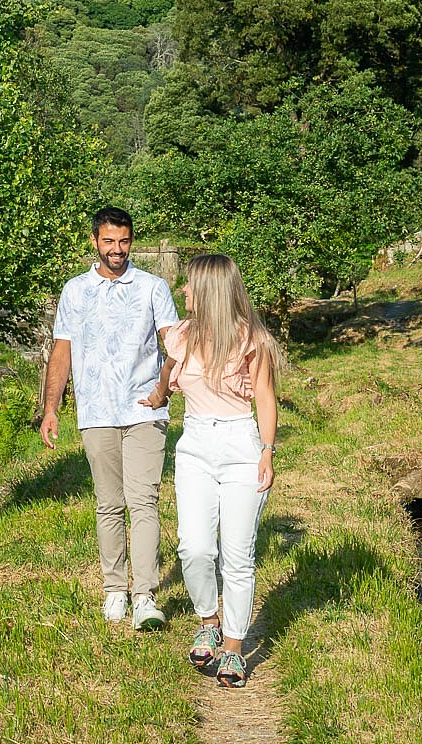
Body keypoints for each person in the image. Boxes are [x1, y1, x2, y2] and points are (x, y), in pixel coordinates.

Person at [141, 252, 283, 688]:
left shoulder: (249, 339)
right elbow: (169, 368)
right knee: (194, 547)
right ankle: (208, 619)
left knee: (237, 554)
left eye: (188, 284)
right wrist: (161, 393)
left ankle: (234, 649)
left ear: (209, 290)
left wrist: (267, 451)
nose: (183, 290)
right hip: (196, 444)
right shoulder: (181, 336)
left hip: (241, 443)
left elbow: (264, 397)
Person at [39, 206, 180, 631]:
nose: (117, 250)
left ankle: (145, 596)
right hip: (96, 411)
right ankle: (115, 589)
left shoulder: (153, 288)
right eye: (109, 242)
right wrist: (51, 408)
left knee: (144, 501)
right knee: (108, 503)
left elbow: (174, 347)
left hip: (143, 412)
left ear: (131, 241)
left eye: (124, 242)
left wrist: (161, 392)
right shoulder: (75, 291)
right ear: (95, 242)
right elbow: (61, 352)